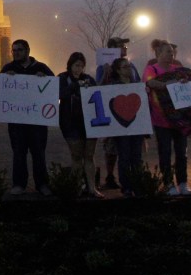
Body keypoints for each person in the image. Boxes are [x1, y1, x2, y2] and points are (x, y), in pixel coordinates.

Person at [1, 40, 55, 196]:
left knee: (38, 153)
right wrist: (5, 78)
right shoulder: (8, 68)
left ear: (28, 51)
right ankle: (19, 184)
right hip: (17, 120)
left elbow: (52, 87)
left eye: (19, 50)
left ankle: (42, 184)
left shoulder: (41, 67)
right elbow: (0, 90)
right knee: (18, 153)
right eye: (14, 50)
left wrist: (44, 79)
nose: (16, 52)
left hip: (37, 121)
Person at [145, 41, 191, 196]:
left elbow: (188, 82)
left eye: (172, 52)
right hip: (161, 118)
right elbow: (150, 82)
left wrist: (184, 82)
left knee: (182, 152)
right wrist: (169, 84)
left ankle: (183, 182)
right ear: (158, 54)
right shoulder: (151, 69)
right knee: (165, 152)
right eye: (168, 52)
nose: (171, 55)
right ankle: (168, 183)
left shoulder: (178, 70)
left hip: (179, 119)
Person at [93, 37, 138, 190]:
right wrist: (106, 73)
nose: (125, 48)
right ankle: (111, 175)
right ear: (113, 48)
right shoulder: (102, 67)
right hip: (113, 114)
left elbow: (137, 85)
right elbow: (100, 89)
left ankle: (131, 179)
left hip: (130, 114)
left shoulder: (131, 66)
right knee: (112, 148)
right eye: (121, 46)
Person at [58, 52, 101, 197]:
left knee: (89, 155)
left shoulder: (88, 79)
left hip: (88, 122)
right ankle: (76, 187)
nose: (78, 69)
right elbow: (60, 94)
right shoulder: (63, 78)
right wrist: (75, 86)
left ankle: (91, 187)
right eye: (76, 65)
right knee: (76, 156)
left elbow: (97, 94)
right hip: (70, 123)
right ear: (70, 65)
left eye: (81, 66)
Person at [104, 57, 145, 196]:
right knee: (124, 156)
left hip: (136, 128)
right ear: (118, 70)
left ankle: (138, 184)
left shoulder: (136, 85)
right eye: (125, 67)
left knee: (137, 157)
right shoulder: (113, 86)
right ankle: (126, 185)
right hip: (121, 129)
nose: (129, 69)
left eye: (129, 66)